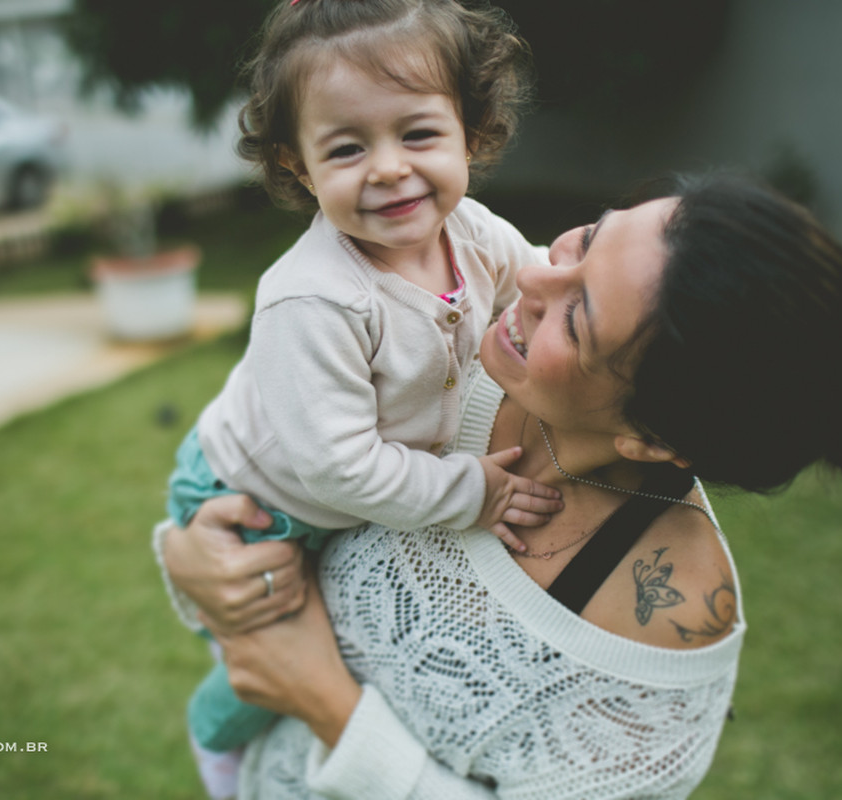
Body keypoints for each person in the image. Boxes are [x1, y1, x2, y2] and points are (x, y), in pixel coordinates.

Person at [156, 174, 842, 798]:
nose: (534, 277)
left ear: (653, 439)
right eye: (589, 237)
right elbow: (257, 458)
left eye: (576, 319)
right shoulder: (449, 318)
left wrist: (327, 703)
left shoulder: (660, 642)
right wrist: (194, 562)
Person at [161, 0, 562, 795]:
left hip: (333, 483)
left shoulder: (475, 235)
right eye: (346, 148)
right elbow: (339, 470)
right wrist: (472, 492)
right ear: (298, 165)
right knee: (280, 647)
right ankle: (216, 740)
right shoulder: (314, 298)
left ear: (469, 130)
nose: (386, 168)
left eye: (418, 134)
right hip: (254, 498)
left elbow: (542, 283)